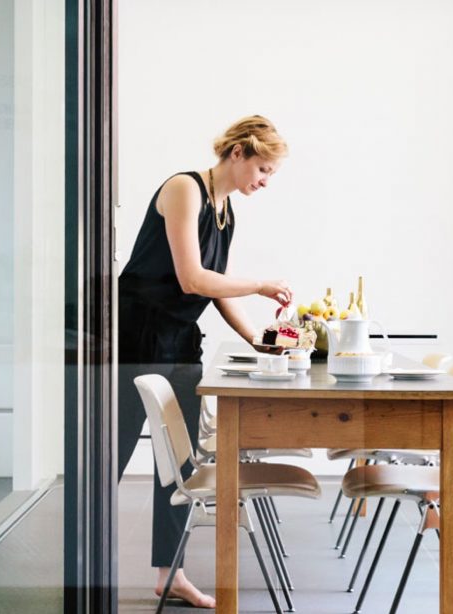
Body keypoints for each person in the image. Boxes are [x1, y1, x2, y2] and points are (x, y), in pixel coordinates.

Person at [117, 115, 292, 608]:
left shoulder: (226, 210)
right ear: (238, 154)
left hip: (179, 339)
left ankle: (170, 574)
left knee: (179, 464)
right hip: (139, 337)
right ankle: (76, 558)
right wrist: (259, 284)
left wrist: (256, 336)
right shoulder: (184, 190)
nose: (264, 181)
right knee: (113, 450)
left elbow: (215, 286)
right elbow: (193, 278)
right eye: (264, 169)